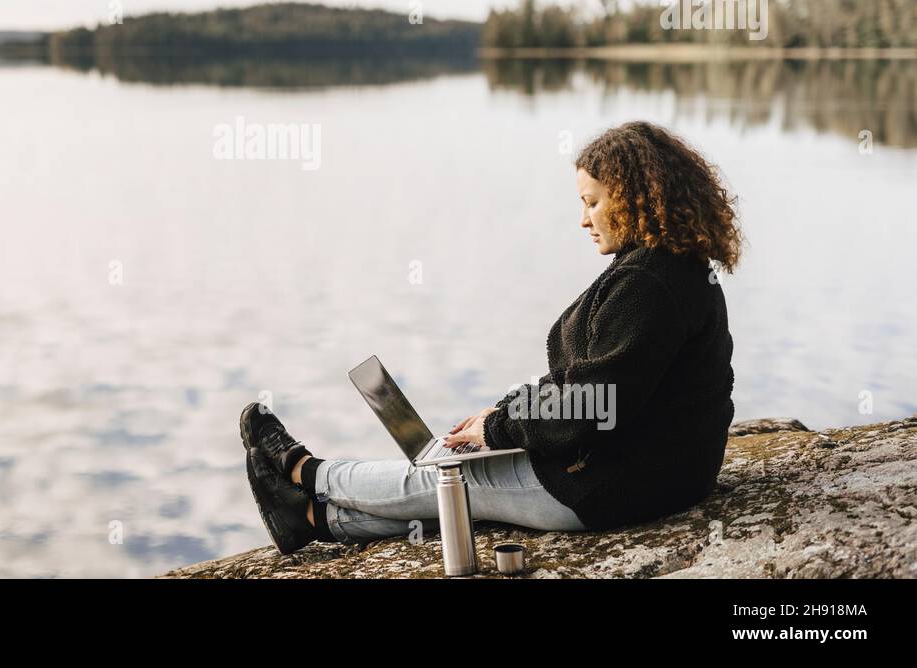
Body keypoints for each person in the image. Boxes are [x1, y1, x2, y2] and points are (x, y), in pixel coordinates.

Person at [243, 120, 743, 553]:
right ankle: (312, 520)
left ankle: (305, 472)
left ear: (634, 198)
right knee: (463, 485)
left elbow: (594, 404)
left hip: (619, 485)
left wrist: (498, 431)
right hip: (661, 472)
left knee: (454, 478)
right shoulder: (667, 267)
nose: (583, 218)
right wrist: (501, 416)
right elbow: (591, 383)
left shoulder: (650, 283)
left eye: (592, 202)